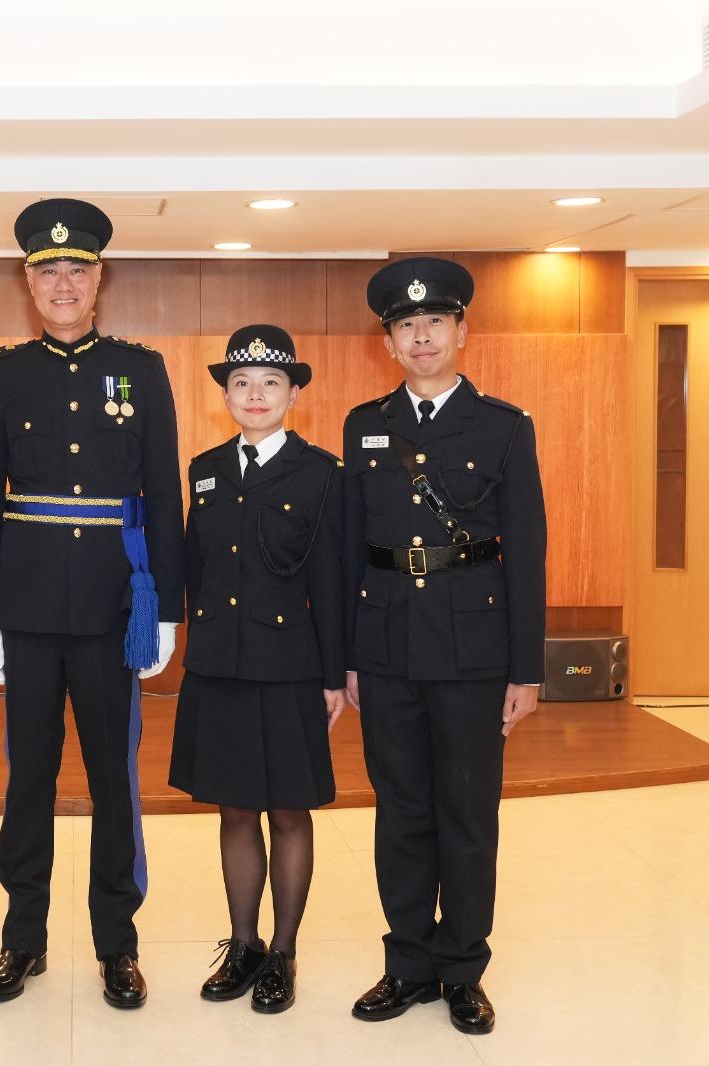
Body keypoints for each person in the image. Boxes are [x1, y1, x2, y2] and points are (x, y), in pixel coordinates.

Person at [0, 198, 184, 1009]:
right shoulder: (3, 372)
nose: (63, 282)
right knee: (28, 782)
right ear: (28, 281)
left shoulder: (141, 368)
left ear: (101, 279)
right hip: (23, 606)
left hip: (109, 607)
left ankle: (116, 946)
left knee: (112, 781)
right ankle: (22, 940)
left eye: (77, 270)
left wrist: (166, 609)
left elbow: (163, 491)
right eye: (48, 270)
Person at [343, 257, 546, 1036]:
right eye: (404, 325)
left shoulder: (502, 426)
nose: (420, 335)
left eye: (434, 322)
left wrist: (526, 667)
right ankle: (407, 964)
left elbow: (527, 550)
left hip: (474, 649)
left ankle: (463, 968)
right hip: (387, 644)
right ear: (387, 342)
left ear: (462, 330)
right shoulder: (365, 425)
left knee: (466, 813)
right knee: (400, 813)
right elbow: (350, 550)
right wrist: (350, 658)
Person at [170, 325, 347, 1015]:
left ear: (293, 392)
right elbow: (194, 566)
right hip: (219, 663)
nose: (254, 394)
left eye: (270, 382)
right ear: (225, 394)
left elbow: (330, 581)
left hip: (290, 665)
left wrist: (335, 675)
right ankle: (242, 946)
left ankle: (282, 953)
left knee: (290, 811)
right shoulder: (205, 468)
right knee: (234, 807)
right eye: (240, 383)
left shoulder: (323, 473)